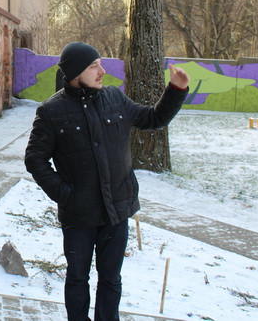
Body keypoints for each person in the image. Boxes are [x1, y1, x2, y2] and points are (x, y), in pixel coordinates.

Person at [24, 42, 189, 321]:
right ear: (76, 73)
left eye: (99, 63)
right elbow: (35, 159)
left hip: (116, 210)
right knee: (77, 278)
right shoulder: (51, 111)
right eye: (93, 66)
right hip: (79, 215)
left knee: (111, 280)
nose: (102, 70)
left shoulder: (115, 98)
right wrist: (66, 195)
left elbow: (153, 119)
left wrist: (176, 90)